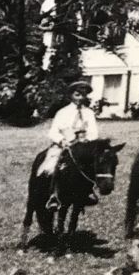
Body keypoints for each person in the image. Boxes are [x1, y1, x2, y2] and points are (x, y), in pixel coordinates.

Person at [39, 80, 99, 209]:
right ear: (71, 95)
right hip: (64, 145)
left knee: (93, 164)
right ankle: (54, 195)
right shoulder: (63, 112)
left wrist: (88, 139)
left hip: (82, 146)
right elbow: (53, 132)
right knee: (53, 165)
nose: (80, 98)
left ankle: (88, 192)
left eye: (83, 95)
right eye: (77, 95)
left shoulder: (89, 113)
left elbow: (94, 132)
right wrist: (62, 140)